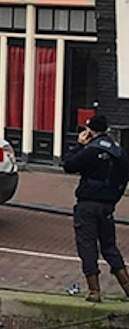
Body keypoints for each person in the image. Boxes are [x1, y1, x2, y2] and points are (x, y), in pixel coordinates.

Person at [64, 115, 129, 303]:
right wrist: (113, 199)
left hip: (87, 204)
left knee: (87, 245)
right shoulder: (119, 152)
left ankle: (94, 291)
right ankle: (127, 286)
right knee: (109, 247)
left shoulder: (90, 150)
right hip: (107, 206)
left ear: (90, 131)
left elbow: (69, 165)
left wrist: (79, 145)